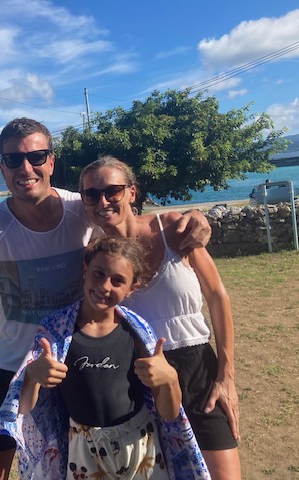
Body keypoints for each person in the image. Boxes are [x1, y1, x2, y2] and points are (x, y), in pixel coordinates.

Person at [0, 117, 212, 480]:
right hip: (12, 362)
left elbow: (126, 220)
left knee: (79, 462)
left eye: (36, 157)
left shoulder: (81, 210)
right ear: (2, 167)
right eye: (13, 159)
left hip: (74, 364)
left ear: (51, 162)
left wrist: (192, 217)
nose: (26, 168)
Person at [78, 155, 240, 480]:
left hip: (198, 370)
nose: (103, 201)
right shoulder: (95, 256)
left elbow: (217, 296)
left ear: (132, 192)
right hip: (140, 379)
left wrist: (226, 377)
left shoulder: (173, 229)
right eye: (91, 194)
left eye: (112, 191)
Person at [0, 235, 210, 479]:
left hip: (141, 448)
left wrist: (170, 379)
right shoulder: (55, 332)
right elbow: (24, 410)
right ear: (85, 270)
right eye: (99, 273)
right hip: (83, 452)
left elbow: (169, 414)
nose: (105, 286)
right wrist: (33, 375)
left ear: (132, 288)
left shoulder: (137, 332)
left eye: (118, 281)